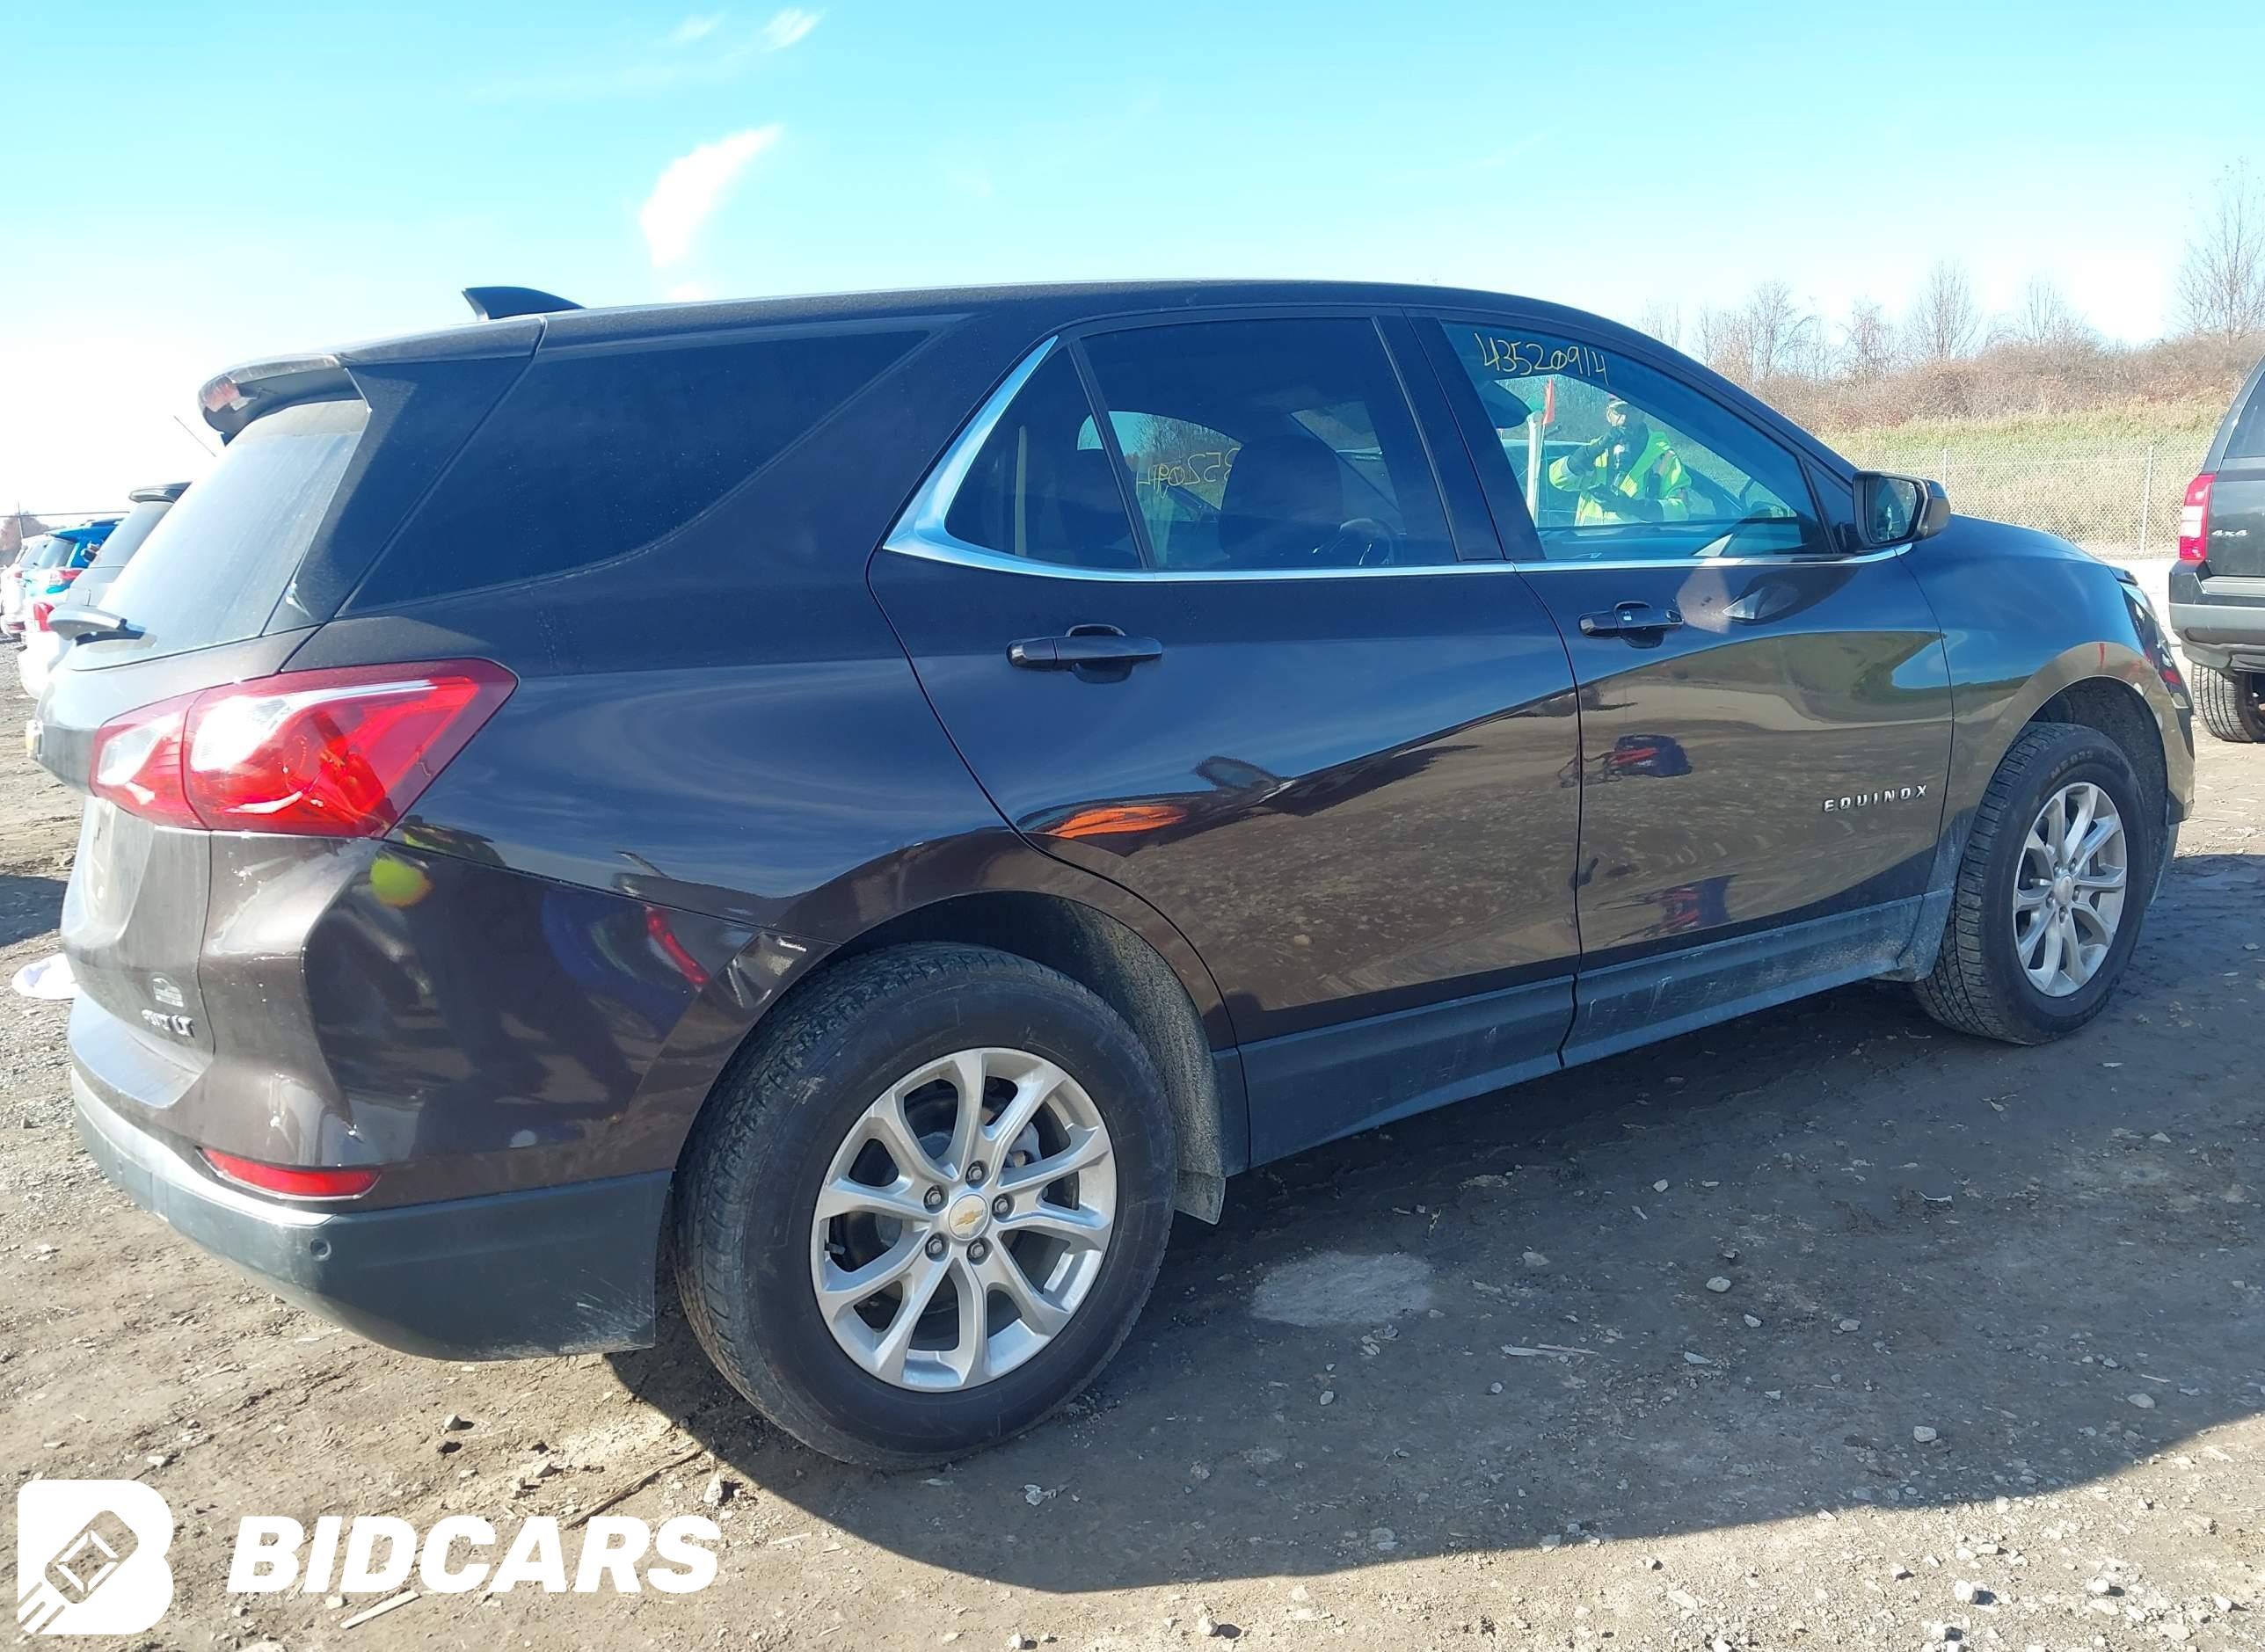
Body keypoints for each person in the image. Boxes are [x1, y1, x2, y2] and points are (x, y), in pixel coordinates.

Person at [1548, 397, 1691, 525]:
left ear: (1642, 414)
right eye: (1619, 411)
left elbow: (1680, 512)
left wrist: (1630, 506)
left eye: (1632, 411)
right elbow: (1558, 479)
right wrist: (1591, 451)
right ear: (1608, 415)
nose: (1624, 420)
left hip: (1636, 546)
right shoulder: (1595, 453)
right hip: (1588, 543)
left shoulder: (1662, 456)